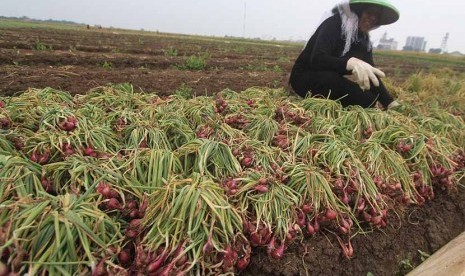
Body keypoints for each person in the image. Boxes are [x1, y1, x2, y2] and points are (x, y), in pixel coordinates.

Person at [289, 0, 401, 109]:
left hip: (330, 78)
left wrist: (388, 102)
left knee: (369, 100)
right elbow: (317, 59)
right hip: (305, 77)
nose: (373, 18)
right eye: (369, 13)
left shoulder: (363, 40)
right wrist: (348, 63)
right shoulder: (334, 24)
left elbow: (370, 73)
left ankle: (333, 107)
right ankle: (321, 109)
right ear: (358, 10)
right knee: (330, 79)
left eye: (376, 16)